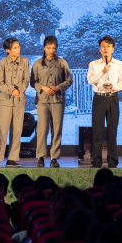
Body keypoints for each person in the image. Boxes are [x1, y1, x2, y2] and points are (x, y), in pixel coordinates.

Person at [30, 35, 73, 168]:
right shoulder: (37, 64)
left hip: (58, 101)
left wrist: (58, 87)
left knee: (57, 130)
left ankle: (54, 158)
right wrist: (43, 87)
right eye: (49, 48)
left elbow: (69, 80)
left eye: (54, 48)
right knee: (42, 130)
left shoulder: (62, 63)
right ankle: (40, 157)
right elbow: (33, 82)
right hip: (42, 101)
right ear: (44, 47)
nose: (51, 51)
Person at [87, 35, 122, 168]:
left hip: (113, 97)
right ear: (99, 49)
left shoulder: (119, 64)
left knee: (112, 130)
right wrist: (103, 71)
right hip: (99, 98)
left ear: (113, 49)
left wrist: (113, 86)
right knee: (97, 131)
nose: (106, 49)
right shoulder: (93, 64)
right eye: (103, 46)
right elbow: (90, 80)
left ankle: (112, 161)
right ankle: (96, 161)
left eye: (108, 46)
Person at [0, 37, 30, 168]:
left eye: (19, 47)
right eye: (15, 48)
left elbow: (26, 80)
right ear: (7, 50)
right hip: (4, 101)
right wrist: (11, 90)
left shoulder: (25, 61)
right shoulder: (2, 62)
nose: (18, 49)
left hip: (19, 100)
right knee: (2, 130)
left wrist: (19, 90)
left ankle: (12, 159)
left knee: (17, 130)